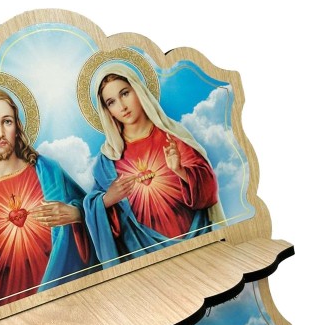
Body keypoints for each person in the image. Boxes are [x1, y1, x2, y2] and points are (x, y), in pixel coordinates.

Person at [0, 88, 95, 324]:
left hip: (68, 306)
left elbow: (96, 213)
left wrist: (76, 213)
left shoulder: (48, 172)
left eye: (7, 121)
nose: (0, 132)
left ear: (17, 127)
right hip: (10, 322)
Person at [83, 62, 225, 266]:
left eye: (125, 93)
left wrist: (181, 171)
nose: (122, 106)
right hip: (144, 257)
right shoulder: (109, 159)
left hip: (196, 244)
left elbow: (209, 188)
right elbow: (95, 212)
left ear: (138, 90)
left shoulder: (173, 136)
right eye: (111, 102)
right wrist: (106, 200)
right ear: (107, 110)